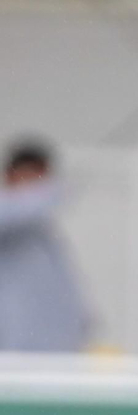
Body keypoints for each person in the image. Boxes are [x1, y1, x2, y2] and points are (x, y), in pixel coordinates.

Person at [0, 139, 90, 352]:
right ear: (11, 175)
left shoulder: (39, 228)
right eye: (33, 175)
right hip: (15, 345)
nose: (39, 185)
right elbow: (22, 208)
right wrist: (52, 191)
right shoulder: (10, 214)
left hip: (56, 343)